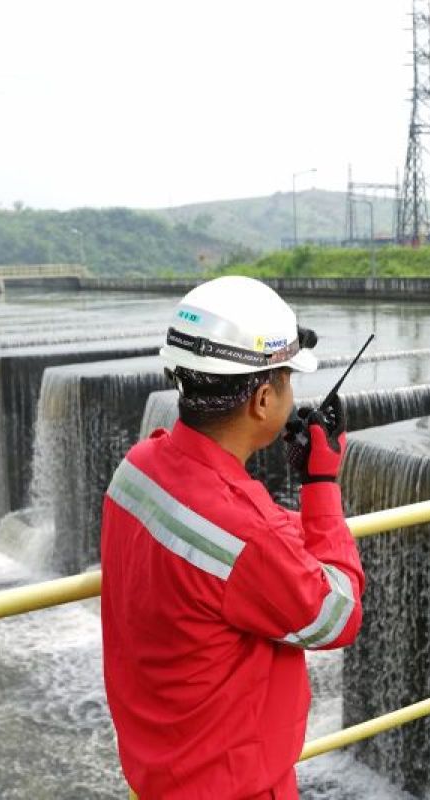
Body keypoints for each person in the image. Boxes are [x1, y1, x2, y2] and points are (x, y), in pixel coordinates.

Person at [100, 275, 365, 799]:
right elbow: (338, 615)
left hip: (161, 773)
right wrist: (319, 486)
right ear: (263, 400)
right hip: (234, 785)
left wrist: (285, 525)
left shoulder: (138, 467)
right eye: (288, 382)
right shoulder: (244, 535)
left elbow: (244, 530)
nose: (292, 396)